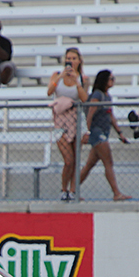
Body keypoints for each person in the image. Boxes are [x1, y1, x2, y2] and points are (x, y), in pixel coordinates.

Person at [79, 69, 131, 201]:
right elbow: (90, 113)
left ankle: (72, 189)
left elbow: (111, 116)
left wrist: (119, 133)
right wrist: (87, 131)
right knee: (108, 162)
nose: (113, 81)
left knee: (89, 165)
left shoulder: (107, 96)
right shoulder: (98, 95)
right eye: (111, 79)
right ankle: (116, 193)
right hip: (98, 133)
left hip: (104, 132)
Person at [46, 47, 88, 201]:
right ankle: (63, 189)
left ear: (79, 61)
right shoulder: (57, 75)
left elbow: (84, 99)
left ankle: (73, 190)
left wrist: (77, 82)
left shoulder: (83, 79)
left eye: (73, 58)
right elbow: (49, 91)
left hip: (75, 120)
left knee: (76, 158)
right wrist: (60, 77)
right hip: (61, 121)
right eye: (68, 58)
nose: (70, 61)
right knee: (68, 159)